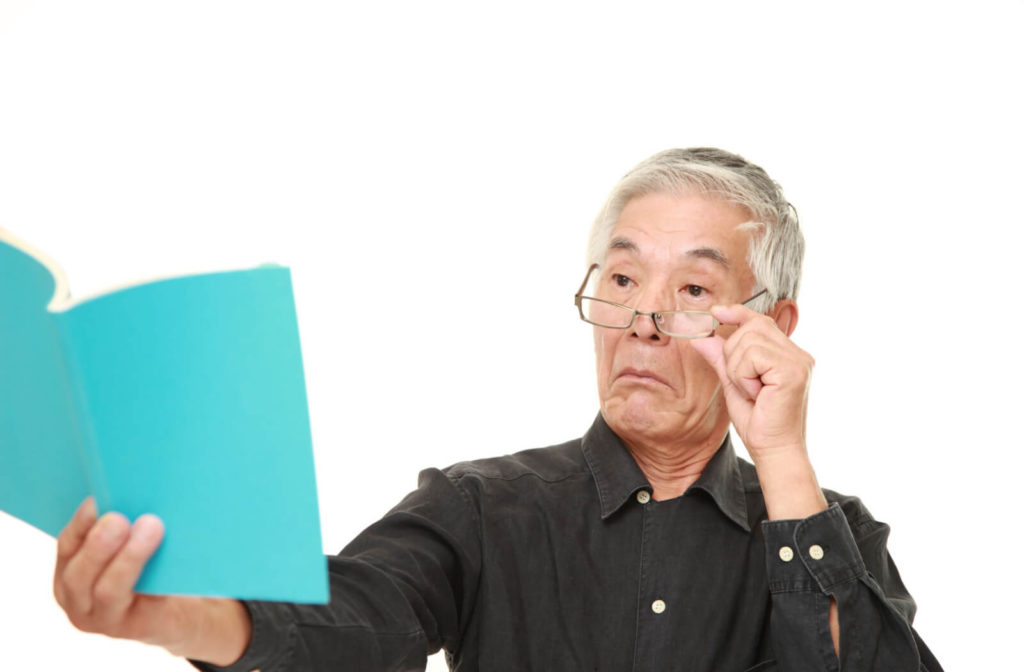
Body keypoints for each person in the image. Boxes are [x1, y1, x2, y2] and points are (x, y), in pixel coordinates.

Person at [52, 147, 943, 671]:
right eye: (624, 278)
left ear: (772, 327)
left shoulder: (834, 536)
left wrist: (784, 457)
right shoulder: (481, 509)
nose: (640, 322)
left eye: (693, 290)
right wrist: (170, 616)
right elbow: (352, 623)